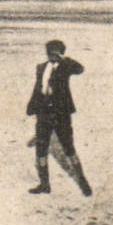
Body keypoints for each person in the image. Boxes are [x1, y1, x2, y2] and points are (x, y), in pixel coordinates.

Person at [25, 40, 93, 196]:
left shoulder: (66, 67)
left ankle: (83, 182)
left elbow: (80, 69)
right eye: (50, 53)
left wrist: (65, 59)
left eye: (56, 53)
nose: (52, 56)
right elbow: (38, 88)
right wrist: (31, 106)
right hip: (43, 114)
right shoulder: (41, 67)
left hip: (62, 115)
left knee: (69, 148)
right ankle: (44, 184)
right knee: (41, 149)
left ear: (61, 53)